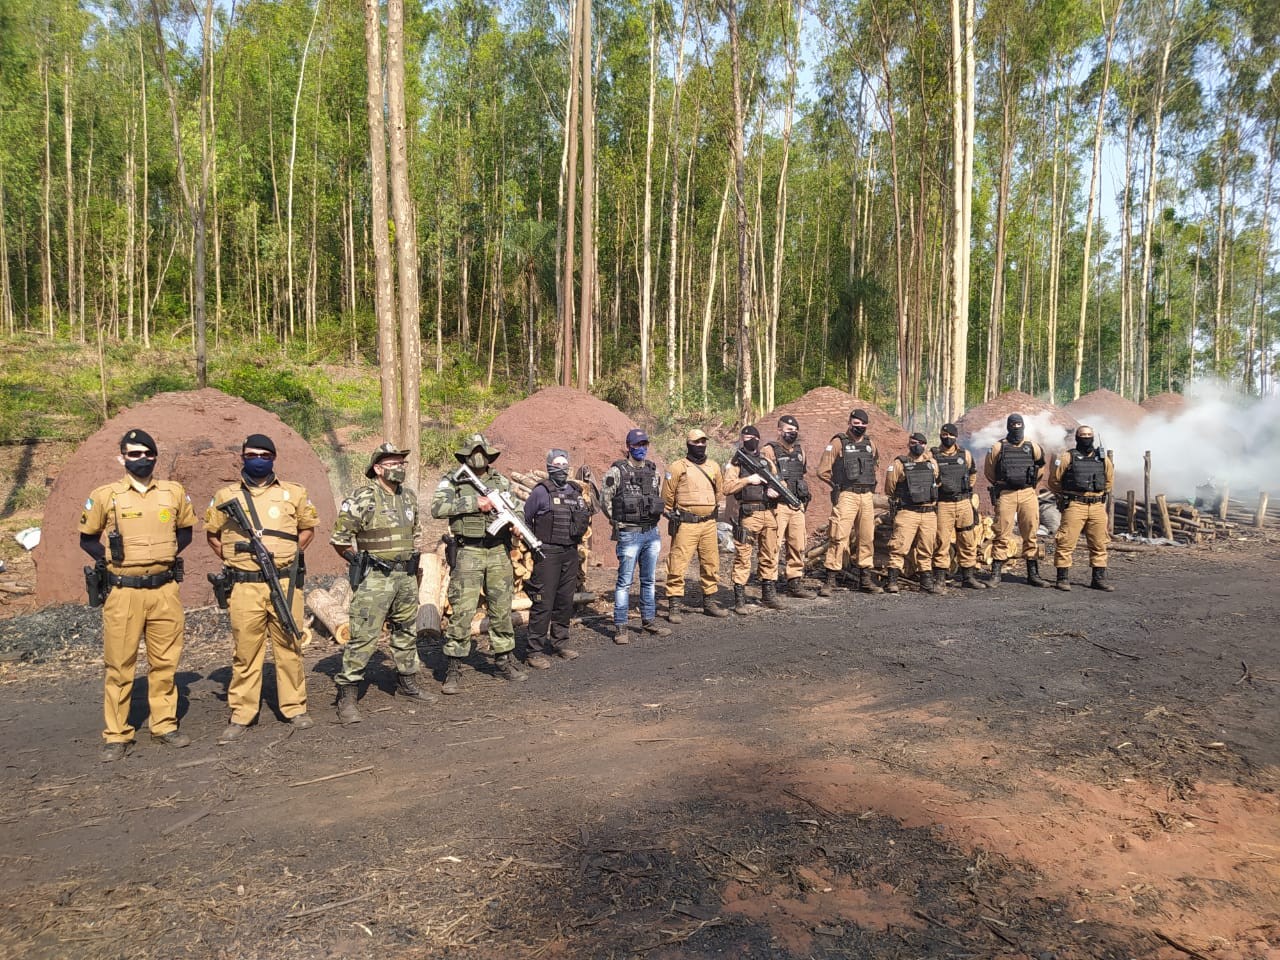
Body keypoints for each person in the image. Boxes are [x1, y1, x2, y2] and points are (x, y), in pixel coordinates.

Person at [79, 429, 197, 761]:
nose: (141, 459)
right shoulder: (106, 495)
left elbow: (185, 533)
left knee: (165, 662)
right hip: (123, 592)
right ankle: (117, 734)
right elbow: (87, 538)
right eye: (133, 454)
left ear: (155, 456)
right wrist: (112, 561)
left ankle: (164, 725)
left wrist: (164, 557)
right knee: (119, 664)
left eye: (147, 453)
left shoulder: (173, 493)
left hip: (164, 590)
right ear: (122, 458)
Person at [206, 434, 318, 744]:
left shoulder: (293, 492)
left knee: (290, 646)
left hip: (284, 583)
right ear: (242, 456)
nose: (258, 458)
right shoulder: (225, 495)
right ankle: (242, 713)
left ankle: (295, 708)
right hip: (244, 587)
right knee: (245, 651)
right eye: (252, 453)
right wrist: (237, 560)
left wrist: (289, 557)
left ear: (273, 458)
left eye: (265, 454)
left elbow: (307, 530)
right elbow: (213, 535)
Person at [330, 442, 433, 725]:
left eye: (403, 463)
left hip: (405, 577)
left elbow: (416, 534)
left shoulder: (408, 497)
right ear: (378, 468)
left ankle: (407, 682)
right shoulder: (363, 497)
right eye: (394, 463)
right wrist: (358, 561)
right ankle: (347, 694)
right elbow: (339, 539)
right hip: (375, 578)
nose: (400, 468)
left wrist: (415, 567)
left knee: (405, 630)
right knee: (364, 635)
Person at [430, 434, 527, 693]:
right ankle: (453, 666)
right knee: (462, 610)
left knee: (501, 608)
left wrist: (517, 526)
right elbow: (437, 508)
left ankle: (503, 659)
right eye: (473, 451)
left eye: (482, 450)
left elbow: (516, 508)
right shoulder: (453, 479)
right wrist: (475, 502)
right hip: (468, 551)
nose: (478, 455)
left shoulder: (500, 481)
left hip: (498, 551)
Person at [522, 449, 595, 668]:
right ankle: (533, 651)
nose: (561, 468)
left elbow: (588, 514)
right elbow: (525, 520)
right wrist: (533, 546)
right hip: (547, 553)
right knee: (543, 601)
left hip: (570, 552)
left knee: (564, 600)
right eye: (557, 464)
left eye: (565, 464)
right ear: (549, 467)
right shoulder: (540, 492)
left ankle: (560, 642)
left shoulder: (575, 491)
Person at [601, 429, 671, 644]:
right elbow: (606, 501)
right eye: (637, 444)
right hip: (629, 534)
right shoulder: (616, 472)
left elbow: (657, 496)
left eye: (644, 444)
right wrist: (619, 521)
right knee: (624, 582)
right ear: (629, 446)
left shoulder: (653, 471)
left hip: (651, 532)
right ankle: (621, 626)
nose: (641, 448)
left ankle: (648, 620)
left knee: (648, 580)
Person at [815, 409, 883, 596]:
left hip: (867, 496)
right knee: (838, 537)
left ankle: (865, 579)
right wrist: (837, 484)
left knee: (866, 537)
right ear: (849, 422)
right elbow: (822, 471)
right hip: (847, 495)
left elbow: (875, 465)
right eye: (855, 423)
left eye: (862, 424)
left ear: (866, 425)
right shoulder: (838, 443)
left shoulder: (871, 444)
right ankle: (830, 580)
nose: (858, 427)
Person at [662, 428, 728, 622]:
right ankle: (674, 605)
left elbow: (719, 492)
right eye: (696, 442)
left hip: (708, 523)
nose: (700, 445)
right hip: (686, 524)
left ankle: (709, 602)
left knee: (711, 563)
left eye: (703, 442)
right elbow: (667, 497)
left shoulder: (714, 467)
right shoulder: (677, 467)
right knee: (678, 563)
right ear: (688, 444)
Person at [722, 425, 784, 614]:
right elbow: (727, 488)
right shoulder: (736, 463)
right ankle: (739, 598)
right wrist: (748, 480)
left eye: (752, 436)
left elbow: (778, 481)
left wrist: (776, 491)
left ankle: (768, 594)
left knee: (770, 554)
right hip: (749, 514)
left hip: (769, 513)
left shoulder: (766, 461)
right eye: (745, 436)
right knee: (743, 556)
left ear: (758, 438)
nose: (749, 439)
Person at [983, 413, 1049, 588]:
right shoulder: (998, 447)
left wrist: (1030, 484)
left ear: (1023, 426)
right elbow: (989, 471)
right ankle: (996, 573)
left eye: (1019, 425)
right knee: (1001, 532)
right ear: (1008, 426)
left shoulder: (1032, 446)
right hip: (1006, 494)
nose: (1016, 428)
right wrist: (1001, 484)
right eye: (1013, 425)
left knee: (1031, 533)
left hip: (1028, 493)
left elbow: (1040, 467)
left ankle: (1033, 573)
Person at [1047, 425, 1116, 592]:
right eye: (1083, 435)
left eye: (1089, 435)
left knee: (1099, 543)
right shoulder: (1067, 457)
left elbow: (1109, 481)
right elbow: (1054, 481)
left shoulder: (1102, 459)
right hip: (1075, 505)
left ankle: (1098, 579)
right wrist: (1066, 494)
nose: (1086, 438)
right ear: (1077, 438)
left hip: (1097, 506)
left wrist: (1098, 495)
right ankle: (1062, 578)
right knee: (1065, 542)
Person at [883, 432, 941, 594]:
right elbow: (890, 488)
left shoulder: (932, 464)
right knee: (898, 547)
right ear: (909, 444)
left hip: (929, 513)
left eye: (921, 443)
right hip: (907, 512)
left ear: (925, 445)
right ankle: (892, 581)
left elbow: (936, 481)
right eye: (913, 442)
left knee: (927, 548)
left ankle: (926, 583)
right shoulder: (899, 463)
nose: (917, 445)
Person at [931, 424, 986, 590]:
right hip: (943, 504)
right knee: (942, 541)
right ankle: (940, 578)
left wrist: (966, 491)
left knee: (967, 540)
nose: (947, 437)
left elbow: (973, 474)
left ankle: (968, 576)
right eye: (944, 434)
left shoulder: (965, 455)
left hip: (963, 503)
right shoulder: (933, 456)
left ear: (956, 436)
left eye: (950, 434)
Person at [766, 415, 815, 599]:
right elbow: (764, 476)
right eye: (788, 430)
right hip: (777, 507)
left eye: (794, 431)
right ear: (779, 431)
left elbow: (801, 474)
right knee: (773, 545)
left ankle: (794, 582)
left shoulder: (800, 452)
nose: (791, 434)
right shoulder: (769, 450)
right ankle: (768, 585)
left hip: (796, 505)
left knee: (797, 545)